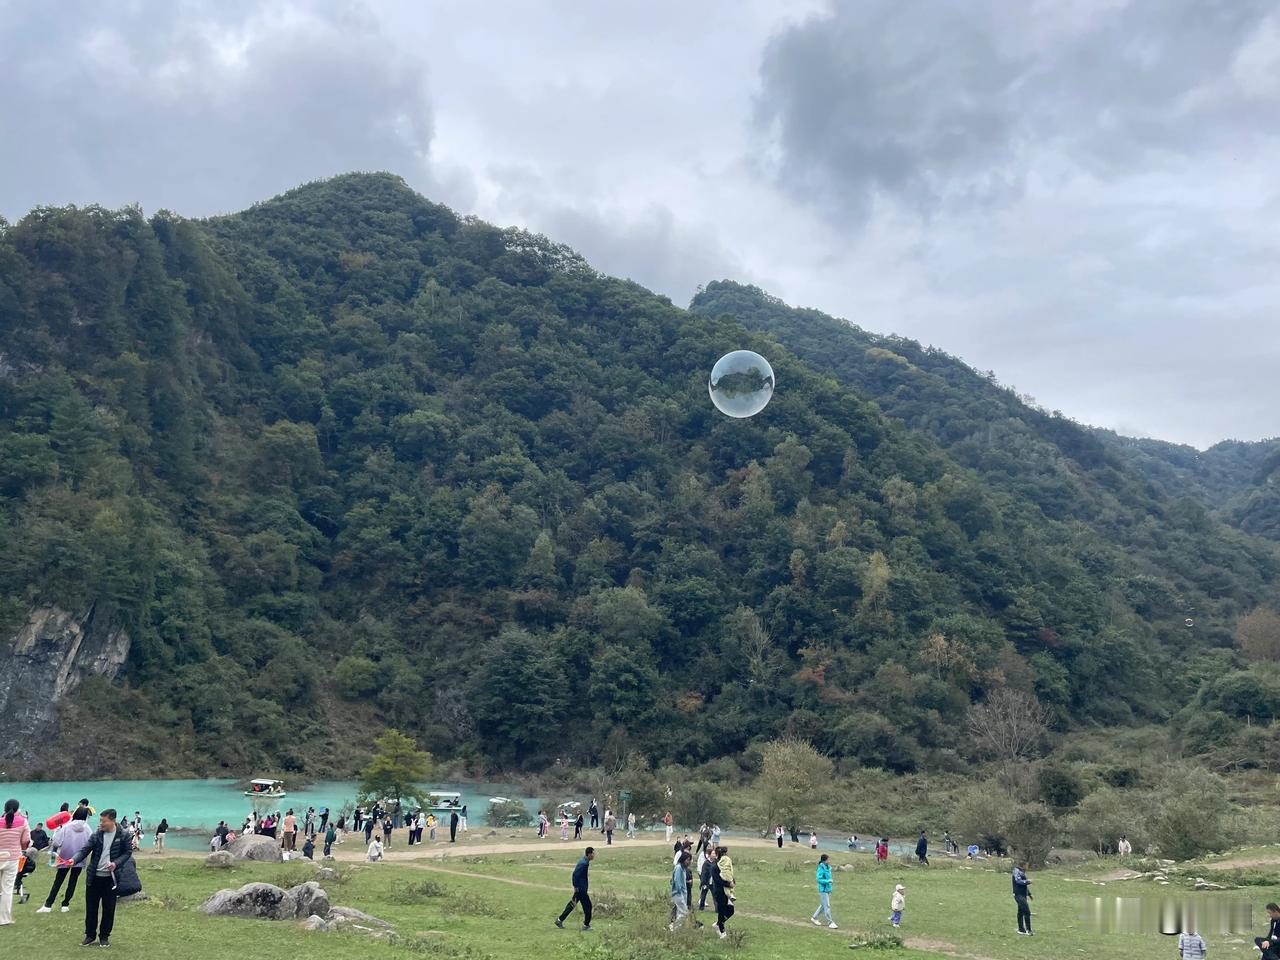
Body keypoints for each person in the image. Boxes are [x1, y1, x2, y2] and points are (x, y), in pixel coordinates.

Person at [72, 808, 133, 948]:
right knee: (91, 908)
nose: (101, 823)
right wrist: (73, 860)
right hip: (94, 877)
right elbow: (85, 850)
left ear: (112, 820)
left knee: (109, 909)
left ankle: (104, 937)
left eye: (103, 821)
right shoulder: (97, 834)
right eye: (100, 820)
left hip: (111, 879)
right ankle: (90, 935)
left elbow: (127, 852)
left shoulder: (123, 835)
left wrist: (115, 864)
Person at [39, 806, 91, 914]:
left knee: (58, 881)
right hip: (79, 859)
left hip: (64, 857)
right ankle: (65, 904)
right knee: (73, 881)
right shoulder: (88, 828)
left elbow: (57, 842)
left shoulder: (67, 827)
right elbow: (90, 843)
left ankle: (48, 904)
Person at [0, 798, 31, 925]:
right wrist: (22, 848)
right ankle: (4, 918)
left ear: (4, 809)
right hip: (12, 858)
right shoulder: (23, 822)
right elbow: (25, 841)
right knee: (7, 889)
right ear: (18, 809)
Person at [555, 846, 594, 931]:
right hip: (581, 890)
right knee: (588, 906)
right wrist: (575, 886)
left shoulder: (585, 861)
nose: (594, 855)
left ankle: (559, 920)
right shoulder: (583, 863)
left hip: (580, 889)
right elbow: (575, 874)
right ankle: (586, 925)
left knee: (572, 904)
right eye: (593, 853)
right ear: (589, 854)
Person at [710, 845, 734, 940]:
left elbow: (729, 874)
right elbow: (718, 880)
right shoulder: (715, 866)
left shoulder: (725, 864)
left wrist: (733, 881)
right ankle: (722, 931)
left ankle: (718, 924)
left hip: (727, 892)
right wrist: (728, 884)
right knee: (721, 911)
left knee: (731, 910)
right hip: (719, 892)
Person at [811, 853, 837, 929]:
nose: (829, 861)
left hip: (827, 889)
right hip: (823, 890)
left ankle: (814, 917)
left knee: (823, 905)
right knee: (827, 906)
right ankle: (830, 922)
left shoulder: (828, 867)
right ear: (824, 860)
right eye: (828, 859)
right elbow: (819, 879)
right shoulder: (821, 868)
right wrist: (828, 881)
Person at [669, 850, 691, 931]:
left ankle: (677, 929)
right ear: (683, 859)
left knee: (679, 913)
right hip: (678, 894)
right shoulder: (679, 868)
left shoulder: (683, 869)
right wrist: (680, 892)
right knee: (684, 912)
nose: (689, 862)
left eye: (690, 860)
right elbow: (677, 881)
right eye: (687, 860)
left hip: (682, 894)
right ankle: (673, 927)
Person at [1013, 860, 1033, 936]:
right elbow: (1018, 881)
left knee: (1020, 912)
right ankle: (1029, 930)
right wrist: (1028, 881)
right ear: (1023, 865)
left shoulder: (1022, 872)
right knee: (1027, 912)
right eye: (1027, 865)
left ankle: (1021, 929)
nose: (1028, 867)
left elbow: (1023, 885)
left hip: (1023, 894)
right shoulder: (1016, 871)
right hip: (1018, 895)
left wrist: (1029, 894)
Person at [698, 846, 714, 911]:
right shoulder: (706, 863)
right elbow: (703, 874)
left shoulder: (715, 862)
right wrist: (703, 883)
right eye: (713, 853)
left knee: (715, 896)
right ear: (710, 854)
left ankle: (717, 909)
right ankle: (701, 907)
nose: (714, 855)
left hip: (713, 882)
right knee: (703, 895)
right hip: (706, 882)